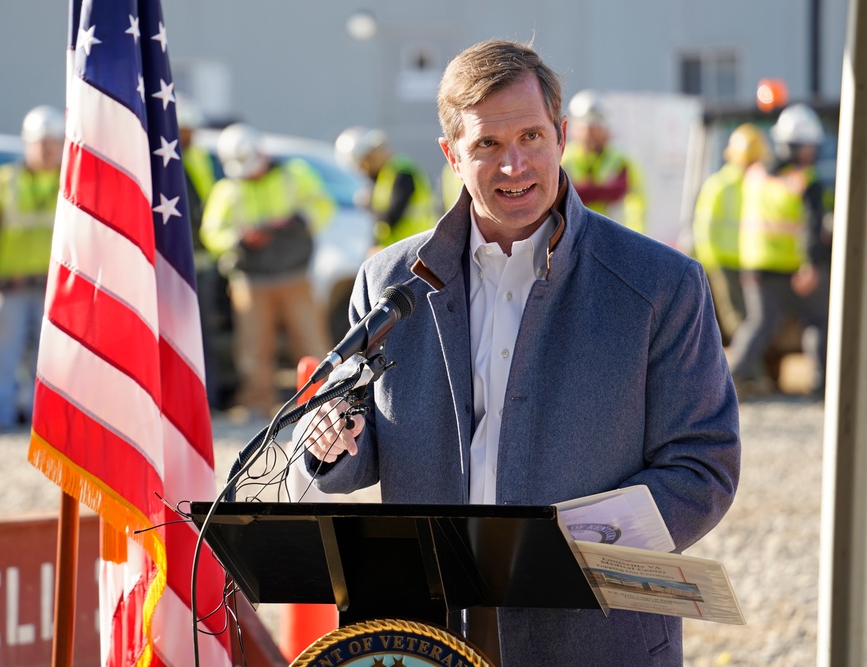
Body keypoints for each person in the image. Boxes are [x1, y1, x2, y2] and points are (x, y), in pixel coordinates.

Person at [297, 39, 740, 665]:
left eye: (531, 137)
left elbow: (703, 466)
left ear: (561, 135)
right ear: (451, 154)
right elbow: (357, 449)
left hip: (594, 637)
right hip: (427, 635)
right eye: (487, 145)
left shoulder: (662, 284)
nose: (515, 166)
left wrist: (564, 554)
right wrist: (326, 441)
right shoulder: (385, 281)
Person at [201, 123, 334, 417]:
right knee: (253, 347)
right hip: (251, 279)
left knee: (310, 339)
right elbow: (211, 232)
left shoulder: (294, 175)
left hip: (294, 274)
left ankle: (325, 397)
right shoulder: (227, 190)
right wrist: (238, 239)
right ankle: (257, 401)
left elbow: (323, 207)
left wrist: (294, 221)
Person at [0, 104, 64, 431]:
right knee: (2, 354)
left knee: (49, 358)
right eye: (41, 143)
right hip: (8, 284)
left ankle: (44, 421)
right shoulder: (6, 180)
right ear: (27, 144)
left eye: (53, 142)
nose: (48, 150)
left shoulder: (71, 179)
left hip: (56, 288)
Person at [726, 103, 830, 398]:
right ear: (801, 147)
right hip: (793, 268)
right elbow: (812, 227)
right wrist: (811, 264)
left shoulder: (756, 174)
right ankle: (821, 386)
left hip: (755, 264)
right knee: (818, 321)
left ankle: (724, 383)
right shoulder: (806, 181)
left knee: (759, 325)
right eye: (809, 146)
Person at [691, 123, 771, 344]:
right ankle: (745, 374)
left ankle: (750, 373)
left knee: (752, 321)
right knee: (736, 321)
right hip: (723, 263)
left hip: (748, 263)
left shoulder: (757, 186)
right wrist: (711, 263)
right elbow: (703, 228)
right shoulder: (718, 186)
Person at [176, 99, 227, 410]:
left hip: (202, 262)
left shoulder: (197, 158)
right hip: (176, 264)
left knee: (201, 333)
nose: (190, 136)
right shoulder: (164, 161)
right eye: (185, 131)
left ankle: (207, 398)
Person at [334, 126, 436, 248]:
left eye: (364, 164)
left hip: (414, 247)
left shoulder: (402, 171)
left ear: (370, 155)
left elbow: (392, 216)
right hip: (400, 248)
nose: (364, 171)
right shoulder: (384, 175)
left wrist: (369, 208)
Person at [561, 89, 647, 233]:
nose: (590, 135)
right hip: (572, 239)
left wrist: (634, 241)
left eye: (595, 128)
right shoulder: (563, 161)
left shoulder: (621, 161)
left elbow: (636, 205)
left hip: (615, 239)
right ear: (573, 129)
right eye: (585, 129)